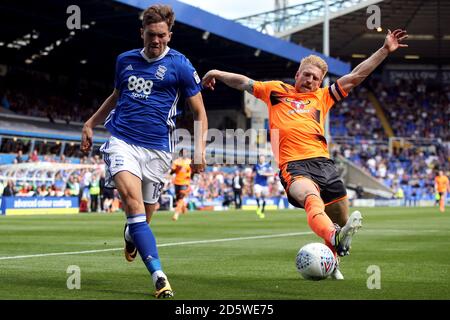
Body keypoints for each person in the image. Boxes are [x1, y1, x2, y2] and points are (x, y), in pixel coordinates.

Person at [202, 29, 408, 279]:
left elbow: (355, 76)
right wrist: (215, 73)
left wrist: (385, 49)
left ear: (321, 81)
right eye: (306, 75)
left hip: (325, 164)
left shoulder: (322, 97)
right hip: (294, 164)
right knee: (312, 198)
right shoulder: (276, 91)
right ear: (297, 75)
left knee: (342, 220)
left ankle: (332, 260)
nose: (310, 80)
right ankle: (332, 236)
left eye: (315, 78)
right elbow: (244, 82)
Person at [81, 4, 207, 298]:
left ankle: (130, 235)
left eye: (162, 35)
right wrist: (90, 123)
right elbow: (116, 95)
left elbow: (199, 112)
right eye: (151, 34)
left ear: (170, 35)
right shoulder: (124, 61)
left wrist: (199, 152)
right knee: (134, 207)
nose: (156, 41)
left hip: (159, 152)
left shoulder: (181, 65)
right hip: (122, 141)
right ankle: (159, 277)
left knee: (142, 221)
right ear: (142, 33)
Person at [170, 148, 193, 221]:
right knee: (178, 199)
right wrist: (176, 169)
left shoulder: (190, 162)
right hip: (177, 182)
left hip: (185, 183)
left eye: (186, 152)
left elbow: (193, 171)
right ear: (180, 153)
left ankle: (176, 214)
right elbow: (171, 172)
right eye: (183, 152)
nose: (185, 154)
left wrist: (190, 179)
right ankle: (184, 209)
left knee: (181, 198)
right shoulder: (176, 162)